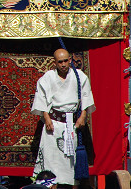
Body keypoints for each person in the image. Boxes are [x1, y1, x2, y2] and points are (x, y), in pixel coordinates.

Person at [32, 49, 95, 187]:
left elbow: (86, 97)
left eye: (66, 61)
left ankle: (73, 185)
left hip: (71, 123)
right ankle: (50, 185)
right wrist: (46, 117)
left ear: (70, 60)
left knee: (71, 162)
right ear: (54, 63)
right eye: (60, 62)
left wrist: (83, 116)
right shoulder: (48, 77)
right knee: (51, 160)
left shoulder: (79, 76)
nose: (64, 64)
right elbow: (41, 98)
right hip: (54, 123)